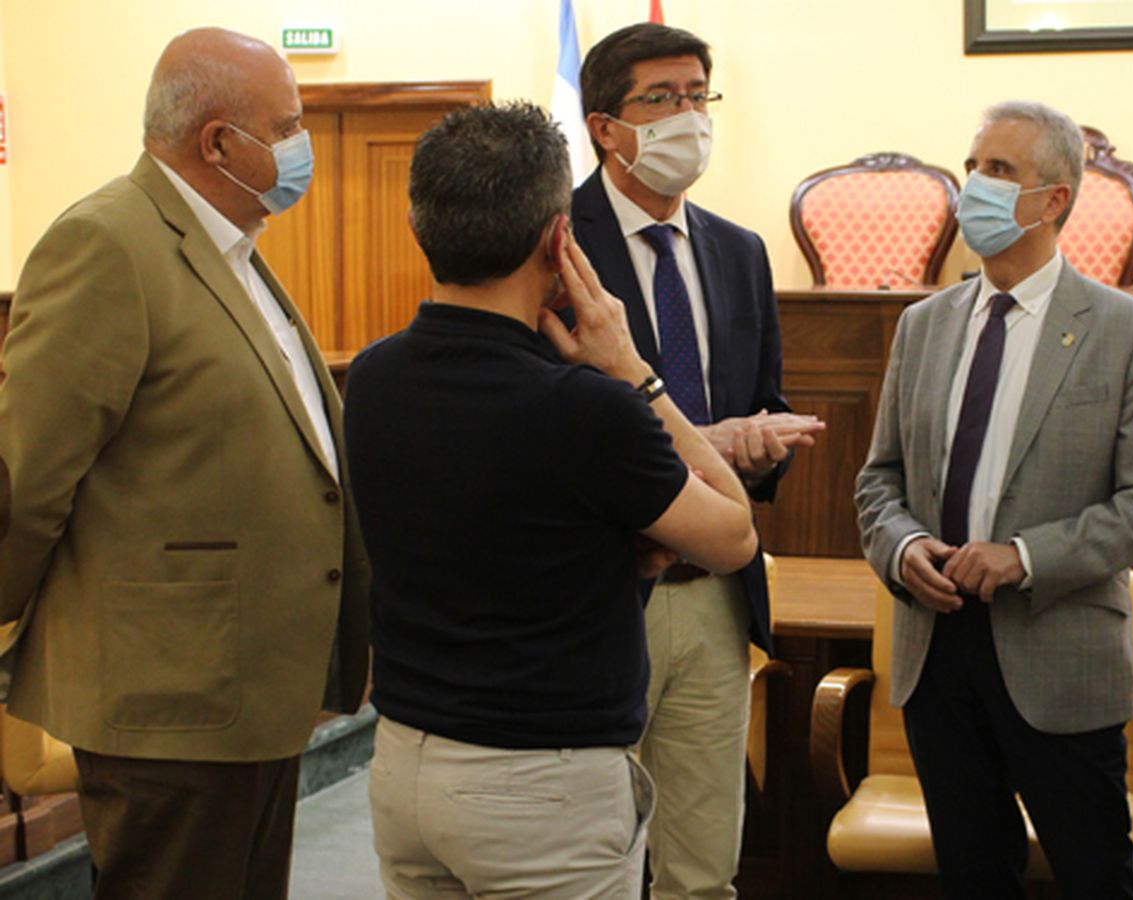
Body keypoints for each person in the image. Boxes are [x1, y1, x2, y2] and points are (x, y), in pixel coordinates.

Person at [345, 100, 759, 898]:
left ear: (418, 224)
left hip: (405, 758)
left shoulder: (372, 376)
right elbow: (734, 532)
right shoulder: (587, 406)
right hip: (539, 783)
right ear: (558, 239)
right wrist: (635, 370)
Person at [0, 28, 368, 899]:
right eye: (288, 125)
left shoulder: (232, 249)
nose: (299, 145)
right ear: (218, 142)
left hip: (246, 695)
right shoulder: (108, 244)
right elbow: (28, 475)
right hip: (169, 701)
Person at [856, 100, 1133, 899]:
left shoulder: (1129, 331)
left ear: (1055, 200)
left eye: (1000, 172)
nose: (975, 187)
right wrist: (902, 548)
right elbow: (879, 481)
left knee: (1096, 877)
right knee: (972, 875)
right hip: (936, 649)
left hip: (1057, 650)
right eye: (973, 167)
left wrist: (1023, 557)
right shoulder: (923, 325)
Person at [573, 23, 824, 899]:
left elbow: (765, 398)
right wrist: (687, 446)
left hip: (716, 594)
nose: (690, 116)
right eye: (663, 98)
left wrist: (757, 448)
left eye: (698, 96)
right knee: (588, 859)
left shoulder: (738, 250)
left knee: (704, 864)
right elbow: (540, 424)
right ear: (606, 125)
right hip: (600, 590)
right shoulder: (551, 245)